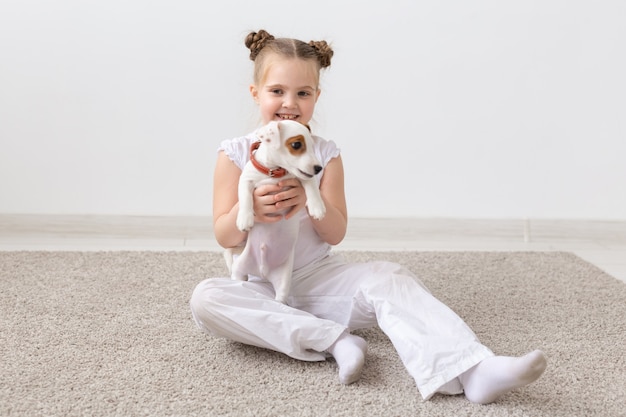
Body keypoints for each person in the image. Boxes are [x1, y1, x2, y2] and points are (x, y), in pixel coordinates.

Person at [189, 29, 547, 404]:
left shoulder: (325, 155)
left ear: (316, 96)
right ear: (256, 93)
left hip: (317, 279)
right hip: (258, 283)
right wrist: (254, 209)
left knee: (390, 276)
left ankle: (474, 369)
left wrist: (309, 201)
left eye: (303, 93)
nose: (289, 103)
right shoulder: (235, 153)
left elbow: (335, 232)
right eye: (277, 91)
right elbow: (224, 234)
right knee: (206, 299)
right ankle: (336, 340)